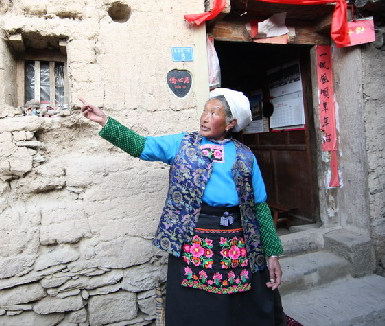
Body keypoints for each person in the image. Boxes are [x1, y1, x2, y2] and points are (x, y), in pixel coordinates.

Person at [80, 88, 286, 326]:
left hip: (238, 240)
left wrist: (271, 253)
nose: (205, 117)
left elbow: (259, 206)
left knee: (243, 304)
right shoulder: (182, 143)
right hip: (192, 238)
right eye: (205, 111)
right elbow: (140, 145)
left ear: (231, 123)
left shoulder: (245, 156)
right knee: (196, 306)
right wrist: (105, 121)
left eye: (214, 113)